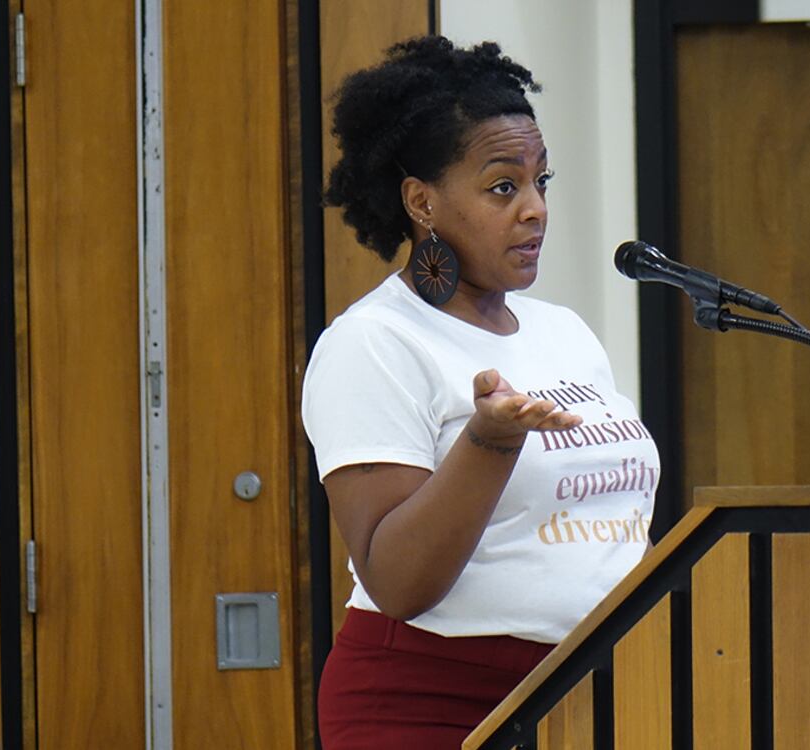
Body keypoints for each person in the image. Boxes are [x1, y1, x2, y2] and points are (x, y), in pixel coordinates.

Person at [302, 35, 660, 749]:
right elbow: (396, 581)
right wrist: (486, 442)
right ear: (421, 201)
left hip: (592, 695)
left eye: (541, 183)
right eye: (504, 187)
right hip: (432, 705)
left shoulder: (566, 334)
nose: (535, 210)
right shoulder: (373, 343)